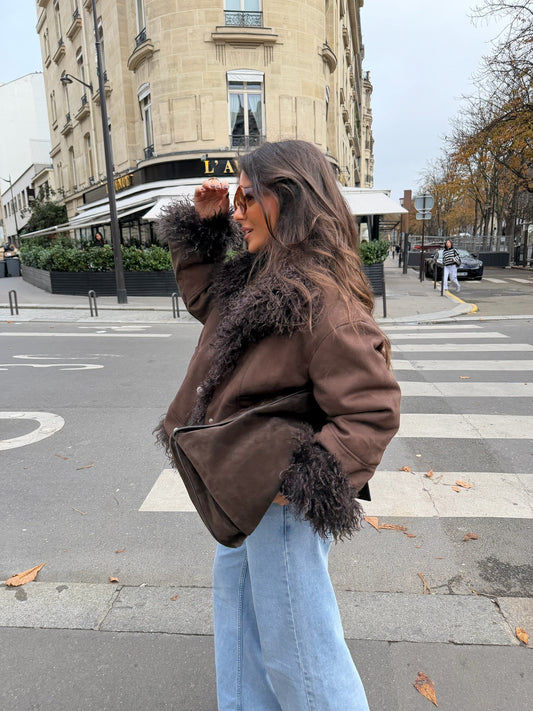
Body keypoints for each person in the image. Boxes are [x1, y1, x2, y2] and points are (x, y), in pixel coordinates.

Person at [156, 140, 401, 711]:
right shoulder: (261, 276)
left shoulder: (322, 299)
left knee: (303, 662)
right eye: (236, 201)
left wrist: (297, 483)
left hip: (279, 502)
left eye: (247, 199)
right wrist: (206, 226)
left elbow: (372, 409)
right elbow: (207, 300)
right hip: (246, 493)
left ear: (286, 199)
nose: (237, 212)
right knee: (241, 634)